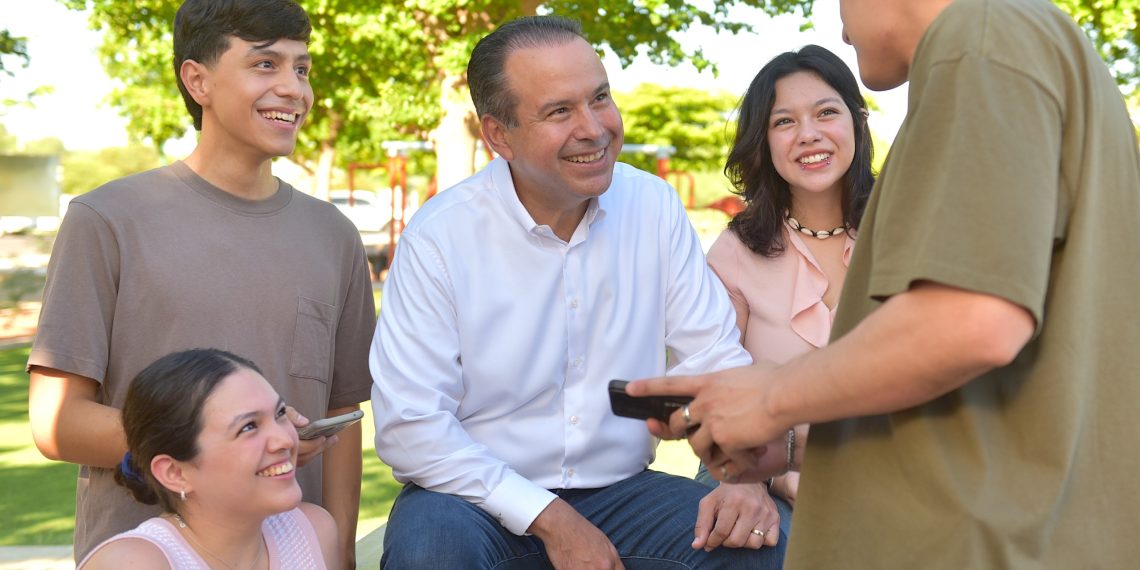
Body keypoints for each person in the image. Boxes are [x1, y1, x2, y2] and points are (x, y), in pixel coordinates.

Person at [628, 0, 1140, 567]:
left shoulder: (985, 43)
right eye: (783, 121)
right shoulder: (1028, 43)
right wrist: (786, 446)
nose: (842, 27)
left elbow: (973, 323)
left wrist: (770, 398)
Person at [370, 15, 783, 569]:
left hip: (623, 491)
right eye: (559, 111)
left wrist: (746, 477)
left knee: (758, 547)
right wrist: (552, 518)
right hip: (472, 497)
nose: (593, 127)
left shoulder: (653, 206)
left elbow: (714, 357)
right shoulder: (439, 236)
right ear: (498, 135)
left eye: (600, 98)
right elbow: (410, 425)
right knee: (432, 552)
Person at [26, 0, 376, 565]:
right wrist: (227, 451)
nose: (295, 88)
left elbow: (342, 421)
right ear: (199, 80)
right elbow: (56, 421)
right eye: (266, 65)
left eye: (302, 68)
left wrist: (339, 559)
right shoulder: (107, 219)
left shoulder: (334, 234)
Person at [699, 43, 875, 536]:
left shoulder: (906, 227)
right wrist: (777, 477)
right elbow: (710, 392)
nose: (809, 135)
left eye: (826, 113)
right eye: (784, 122)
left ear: (856, 123)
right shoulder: (735, 251)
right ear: (764, 141)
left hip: (893, 478)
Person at [79, 349, 339, 569]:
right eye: (248, 427)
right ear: (174, 473)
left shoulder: (313, 531)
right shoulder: (134, 563)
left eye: (280, 413)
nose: (285, 439)